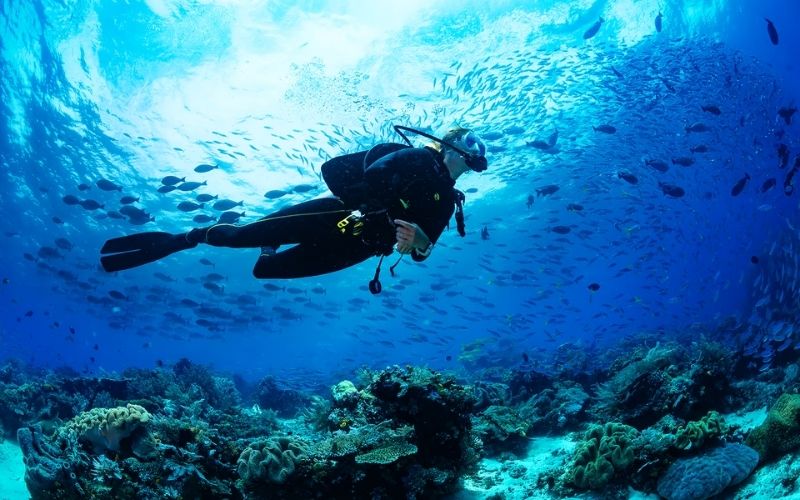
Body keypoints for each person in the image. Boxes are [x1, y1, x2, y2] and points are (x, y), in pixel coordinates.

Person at [100, 126, 487, 291]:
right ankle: (186, 238)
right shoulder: (416, 158)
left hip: (360, 247)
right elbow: (346, 173)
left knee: (266, 269)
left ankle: (270, 247)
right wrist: (374, 208)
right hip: (335, 215)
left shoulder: (448, 201)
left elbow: (423, 251)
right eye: (471, 140)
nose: (478, 150)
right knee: (237, 237)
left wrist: (419, 243)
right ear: (451, 144)